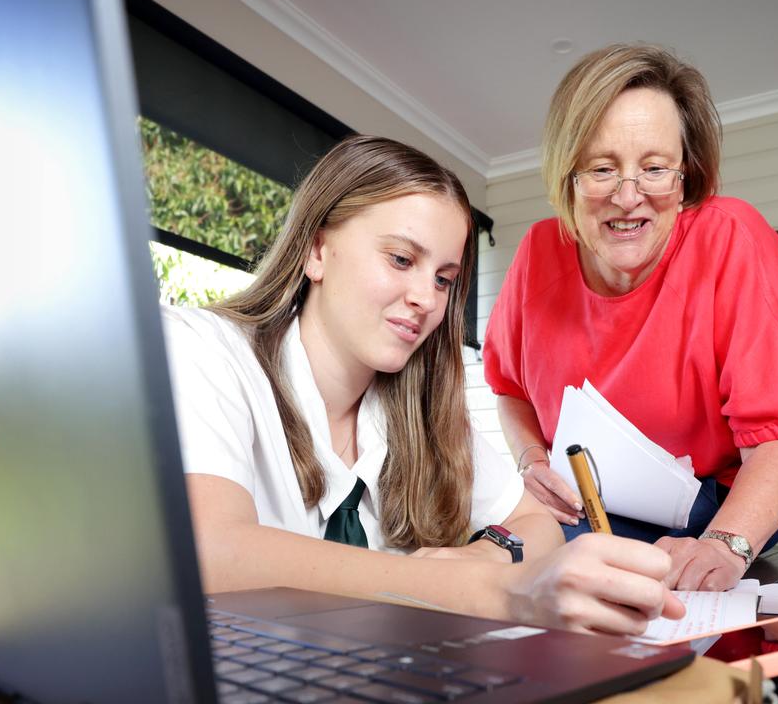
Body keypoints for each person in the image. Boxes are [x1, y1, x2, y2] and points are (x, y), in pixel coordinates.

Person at [163, 134, 684, 635]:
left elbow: (536, 522)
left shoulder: (418, 410)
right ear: (317, 251)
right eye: (401, 259)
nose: (427, 299)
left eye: (443, 279)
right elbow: (211, 553)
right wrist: (480, 588)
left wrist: (488, 551)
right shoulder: (201, 349)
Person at [483, 44, 778, 593]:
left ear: (685, 178)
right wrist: (531, 460)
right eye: (601, 169)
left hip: (720, 501)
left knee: (556, 571)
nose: (627, 197)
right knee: (508, 558)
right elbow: (510, 389)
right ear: (568, 178)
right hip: (586, 498)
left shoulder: (731, 237)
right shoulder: (537, 252)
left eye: (654, 169)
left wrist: (724, 545)